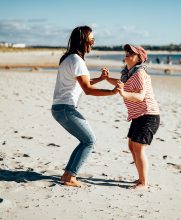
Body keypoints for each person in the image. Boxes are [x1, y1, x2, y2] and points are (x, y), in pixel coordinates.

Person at [51, 26, 118, 187]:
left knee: (84, 141)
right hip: (66, 109)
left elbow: (82, 83)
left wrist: (101, 79)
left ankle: (67, 174)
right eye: (92, 39)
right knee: (89, 141)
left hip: (59, 108)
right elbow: (87, 90)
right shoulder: (77, 60)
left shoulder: (68, 58)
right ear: (83, 41)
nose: (93, 43)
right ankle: (70, 177)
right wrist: (112, 92)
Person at [102, 44, 160, 189]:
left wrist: (123, 93)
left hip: (148, 115)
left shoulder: (140, 73)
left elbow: (140, 96)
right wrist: (106, 78)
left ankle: (144, 182)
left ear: (139, 58)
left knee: (138, 147)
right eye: (127, 52)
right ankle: (141, 178)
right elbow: (120, 83)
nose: (127, 53)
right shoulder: (128, 73)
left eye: (131, 53)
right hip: (138, 116)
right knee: (131, 146)